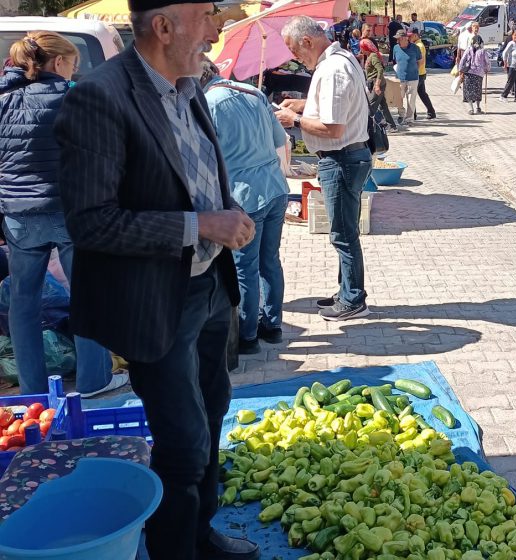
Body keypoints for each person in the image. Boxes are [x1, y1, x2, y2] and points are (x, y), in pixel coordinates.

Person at [54, 1, 259, 558]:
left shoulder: (191, 84)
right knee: (184, 443)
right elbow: (91, 222)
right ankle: (174, 550)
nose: (218, 30)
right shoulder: (99, 97)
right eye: (208, 15)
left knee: (213, 412)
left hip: (210, 285)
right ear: (163, 27)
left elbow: (196, 176)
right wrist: (201, 224)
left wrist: (225, 212)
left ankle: (200, 534)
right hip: (155, 300)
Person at [0, 32, 128, 398]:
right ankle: (93, 381)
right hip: (73, 211)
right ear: (58, 63)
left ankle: (32, 390)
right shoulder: (76, 97)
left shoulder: (3, 100)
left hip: (19, 215)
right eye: (73, 64)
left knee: (23, 303)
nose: (75, 71)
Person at [276, 16, 372, 321]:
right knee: (343, 230)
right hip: (346, 156)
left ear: (307, 41)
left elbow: (332, 128)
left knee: (343, 233)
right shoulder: (340, 59)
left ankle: (353, 298)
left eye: (295, 51)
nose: (296, 59)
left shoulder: (332, 69)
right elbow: (337, 107)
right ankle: (347, 290)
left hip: (341, 157)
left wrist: (295, 120)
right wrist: (304, 104)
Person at [201, 61, 289, 355]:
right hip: (275, 188)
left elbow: (205, 158)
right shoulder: (253, 91)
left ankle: (248, 335)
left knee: (246, 268)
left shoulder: (208, 103)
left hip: (244, 196)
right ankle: (273, 325)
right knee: (270, 261)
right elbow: (279, 139)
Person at [364, 36, 400, 133]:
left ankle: (367, 128)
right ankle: (392, 126)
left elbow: (380, 70)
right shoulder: (369, 56)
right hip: (377, 83)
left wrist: (376, 85)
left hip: (377, 84)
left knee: (371, 107)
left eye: (362, 48)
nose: (361, 50)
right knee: (383, 106)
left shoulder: (373, 56)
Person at [392, 30, 421, 126]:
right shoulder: (396, 48)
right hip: (400, 78)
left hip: (413, 78)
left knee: (411, 100)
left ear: (405, 38)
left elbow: (420, 61)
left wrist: (414, 70)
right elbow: (395, 61)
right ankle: (401, 114)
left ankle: (409, 119)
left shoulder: (415, 48)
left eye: (398, 39)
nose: (397, 41)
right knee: (398, 98)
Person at [458, 34, 490, 115]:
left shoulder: (468, 49)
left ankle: (471, 109)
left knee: (469, 91)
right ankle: (478, 108)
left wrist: (460, 70)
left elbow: (462, 60)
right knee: (477, 91)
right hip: (479, 74)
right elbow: (487, 62)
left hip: (468, 72)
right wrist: (487, 69)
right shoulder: (483, 51)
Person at [410, 29, 436, 120]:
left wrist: (413, 71)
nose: (409, 38)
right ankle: (431, 112)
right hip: (421, 73)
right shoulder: (417, 45)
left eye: (411, 36)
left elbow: (420, 61)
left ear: (416, 36)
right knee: (422, 94)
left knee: (412, 94)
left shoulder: (419, 46)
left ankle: (413, 115)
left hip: (418, 74)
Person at [500, 30, 516, 102]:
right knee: (510, 81)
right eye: (515, 35)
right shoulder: (511, 43)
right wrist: (505, 63)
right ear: (512, 36)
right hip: (512, 65)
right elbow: (505, 53)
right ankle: (503, 96)